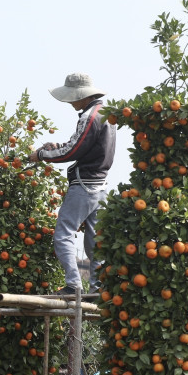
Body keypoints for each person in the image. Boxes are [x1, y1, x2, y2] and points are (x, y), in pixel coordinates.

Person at [28, 72, 116, 295]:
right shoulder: (106, 114)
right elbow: (84, 145)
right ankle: (98, 291)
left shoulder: (89, 116)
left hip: (84, 186)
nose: (70, 102)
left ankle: (73, 285)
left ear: (81, 95)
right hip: (100, 186)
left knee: (63, 234)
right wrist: (55, 145)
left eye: (71, 97)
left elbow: (74, 150)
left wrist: (41, 155)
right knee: (95, 243)